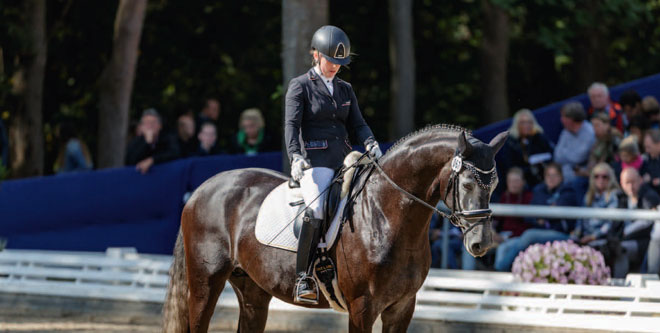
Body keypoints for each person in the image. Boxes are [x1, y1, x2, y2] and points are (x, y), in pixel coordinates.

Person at [284, 25, 382, 303]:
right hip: (315, 162)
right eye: (330, 61)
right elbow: (291, 125)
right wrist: (295, 155)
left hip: (346, 161)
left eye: (340, 63)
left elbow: (358, 124)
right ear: (315, 55)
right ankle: (303, 276)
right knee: (315, 208)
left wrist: (371, 142)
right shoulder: (300, 86)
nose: (335, 68)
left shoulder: (345, 89)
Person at [494, 163, 578, 271]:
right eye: (548, 175)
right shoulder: (539, 191)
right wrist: (546, 213)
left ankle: (500, 270)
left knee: (528, 235)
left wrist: (543, 214)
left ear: (561, 177)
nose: (551, 179)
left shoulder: (568, 192)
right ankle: (500, 274)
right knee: (504, 247)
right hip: (537, 232)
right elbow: (529, 217)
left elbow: (555, 213)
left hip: (559, 233)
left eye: (555, 175)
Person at [607, 168, 659, 277]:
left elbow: (649, 218)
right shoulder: (622, 198)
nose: (630, 186)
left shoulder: (650, 196)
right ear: (621, 183)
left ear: (640, 180)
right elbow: (614, 223)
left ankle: (620, 288)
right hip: (626, 240)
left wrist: (627, 231)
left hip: (646, 241)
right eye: (627, 182)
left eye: (633, 182)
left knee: (622, 248)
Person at [499, 109, 554, 189]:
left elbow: (550, 154)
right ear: (517, 124)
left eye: (529, 122)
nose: (526, 125)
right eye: (523, 122)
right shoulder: (510, 142)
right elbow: (508, 165)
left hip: (541, 175)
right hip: (521, 178)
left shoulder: (540, 138)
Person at [577, 163, 620, 246]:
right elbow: (580, 218)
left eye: (604, 177)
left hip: (602, 239)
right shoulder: (589, 195)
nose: (600, 179)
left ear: (610, 178)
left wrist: (594, 236)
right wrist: (575, 234)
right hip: (585, 236)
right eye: (596, 176)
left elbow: (610, 223)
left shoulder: (614, 195)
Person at [125, 108, 180, 174]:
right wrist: (147, 143)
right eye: (146, 123)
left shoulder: (168, 138)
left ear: (160, 126)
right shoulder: (135, 142)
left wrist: (152, 160)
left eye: (153, 123)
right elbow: (131, 161)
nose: (150, 126)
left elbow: (175, 153)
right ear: (142, 127)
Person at [554, 102, 596, 183]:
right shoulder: (565, 132)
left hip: (583, 175)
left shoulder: (589, 132)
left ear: (571, 118)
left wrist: (565, 153)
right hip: (565, 174)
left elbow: (579, 158)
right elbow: (557, 156)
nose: (561, 119)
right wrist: (570, 155)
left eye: (563, 116)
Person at [494, 167, 533, 238]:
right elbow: (496, 221)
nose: (513, 184)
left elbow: (529, 224)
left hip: (521, 236)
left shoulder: (529, 197)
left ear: (523, 182)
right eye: (510, 181)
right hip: (503, 235)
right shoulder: (504, 196)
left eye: (516, 181)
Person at [641, 129, 660, 194]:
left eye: (649, 147)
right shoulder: (646, 159)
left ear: (659, 145)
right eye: (645, 147)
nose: (647, 151)